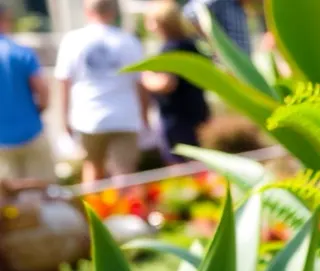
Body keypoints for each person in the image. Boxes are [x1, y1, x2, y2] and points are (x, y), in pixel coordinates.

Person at [55, 0, 149, 183]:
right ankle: (126, 211)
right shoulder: (127, 41)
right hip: (124, 116)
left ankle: (94, 210)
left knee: (92, 170)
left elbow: (64, 82)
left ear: (87, 11)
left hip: (88, 117)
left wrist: (64, 119)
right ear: (113, 13)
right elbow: (140, 83)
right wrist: (144, 116)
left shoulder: (73, 40)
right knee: (124, 175)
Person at [141, 0, 210, 164]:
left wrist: (145, 77)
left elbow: (166, 84)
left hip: (177, 119)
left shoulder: (171, 49)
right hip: (198, 112)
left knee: (181, 165)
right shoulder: (192, 45)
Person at [0, 4, 54, 181]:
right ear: (6, 19)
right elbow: (42, 91)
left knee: (6, 197)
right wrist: (38, 110)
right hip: (31, 132)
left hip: (3, 141)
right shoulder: (21, 52)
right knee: (38, 190)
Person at [183, 0, 251, 53]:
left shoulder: (237, 5)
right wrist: (209, 38)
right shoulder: (219, 2)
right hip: (226, 61)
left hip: (243, 60)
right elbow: (189, 14)